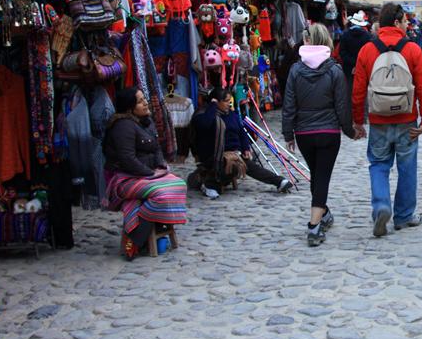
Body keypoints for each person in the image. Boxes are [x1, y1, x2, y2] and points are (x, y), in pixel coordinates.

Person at [352, 2, 422, 237]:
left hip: (378, 120)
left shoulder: (367, 50)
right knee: (407, 167)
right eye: (406, 21)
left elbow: (358, 91)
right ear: (397, 22)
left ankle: (381, 206)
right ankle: (404, 215)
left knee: (378, 165)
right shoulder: (412, 49)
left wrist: (358, 121)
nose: (408, 25)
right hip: (407, 120)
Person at [282, 23, 356, 246]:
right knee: (321, 177)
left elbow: (289, 105)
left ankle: (323, 213)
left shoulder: (295, 70)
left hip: (304, 132)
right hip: (328, 132)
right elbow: (342, 106)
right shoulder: (334, 70)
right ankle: (314, 227)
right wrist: (349, 130)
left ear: (306, 41)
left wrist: (288, 134)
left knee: (317, 175)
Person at [103, 87, 187, 260]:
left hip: (146, 175)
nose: (145, 103)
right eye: (140, 101)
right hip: (126, 178)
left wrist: (161, 166)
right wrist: (150, 173)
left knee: (179, 184)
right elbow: (127, 159)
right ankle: (135, 239)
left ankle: (158, 223)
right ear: (129, 107)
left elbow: (156, 148)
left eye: (144, 99)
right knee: (162, 195)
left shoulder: (145, 122)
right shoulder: (123, 126)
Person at [189, 89, 294, 198]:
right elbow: (206, 124)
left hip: (235, 154)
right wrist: (212, 106)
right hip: (212, 155)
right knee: (232, 164)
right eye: (226, 101)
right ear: (215, 101)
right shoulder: (202, 114)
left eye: (230, 101)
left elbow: (241, 132)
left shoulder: (231, 114)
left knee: (249, 165)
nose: (229, 104)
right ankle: (210, 185)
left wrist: (245, 148)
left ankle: (279, 182)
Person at [339, 10, 372, 96]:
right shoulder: (368, 36)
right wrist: (358, 64)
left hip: (348, 69)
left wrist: (353, 64)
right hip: (363, 68)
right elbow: (368, 54)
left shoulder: (344, 35)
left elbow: (342, 53)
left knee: (349, 92)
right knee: (362, 92)